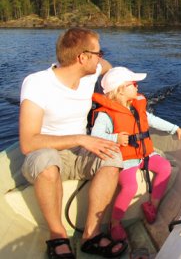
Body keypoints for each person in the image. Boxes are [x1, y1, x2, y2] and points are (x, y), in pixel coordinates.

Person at [19, 28, 127, 259]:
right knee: (47, 161)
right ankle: (57, 235)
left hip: (79, 152)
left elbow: (106, 67)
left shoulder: (90, 73)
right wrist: (80, 138)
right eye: (98, 52)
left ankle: (91, 235)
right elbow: (28, 143)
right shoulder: (37, 84)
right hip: (45, 151)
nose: (101, 57)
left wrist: (115, 77)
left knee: (113, 155)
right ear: (82, 57)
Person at [90, 66, 181, 241]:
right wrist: (115, 138)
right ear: (119, 91)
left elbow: (152, 120)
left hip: (144, 154)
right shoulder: (105, 115)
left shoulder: (136, 107)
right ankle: (115, 223)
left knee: (165, 168)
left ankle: (152, 205)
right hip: (125, 159)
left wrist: (175, 128)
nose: (137, 87)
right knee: (130, 186)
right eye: (133, 84)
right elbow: (95, 136)